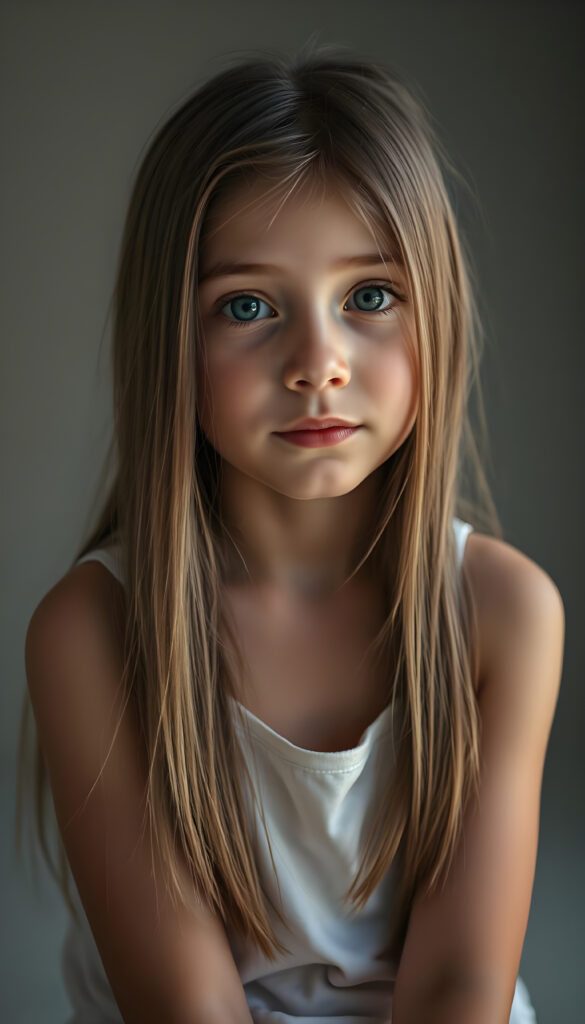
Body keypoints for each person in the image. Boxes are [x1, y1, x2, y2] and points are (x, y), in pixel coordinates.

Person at [23, 49, 564, 1024]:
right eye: (247, 306)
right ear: (170, 340)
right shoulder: (91, 631)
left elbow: (459, 990)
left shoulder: (505, 611)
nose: (319, 363)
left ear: (435, 308)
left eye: (369, 296)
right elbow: (185, 1005)